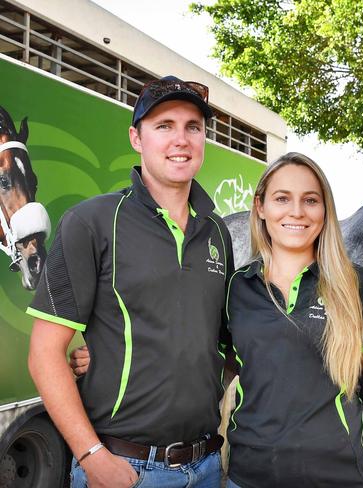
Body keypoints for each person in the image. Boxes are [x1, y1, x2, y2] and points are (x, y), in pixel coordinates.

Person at [27, 76, 233, 488]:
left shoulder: (216, 233)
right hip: (127, 469)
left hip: (207, 466)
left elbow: (220, 347)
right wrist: (92, 456)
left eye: (193, 126)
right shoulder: (91, 222)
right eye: (164, 126)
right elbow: (44, 353)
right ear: (136, 138)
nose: (182, 139)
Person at [224, 152, 363, 487]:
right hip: (250, 477)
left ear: (325, 212)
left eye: (310, 200)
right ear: (260, 207)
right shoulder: (235, 288)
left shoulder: (358, 285)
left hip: (342, 478)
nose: (297, 211)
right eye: (282, 198)